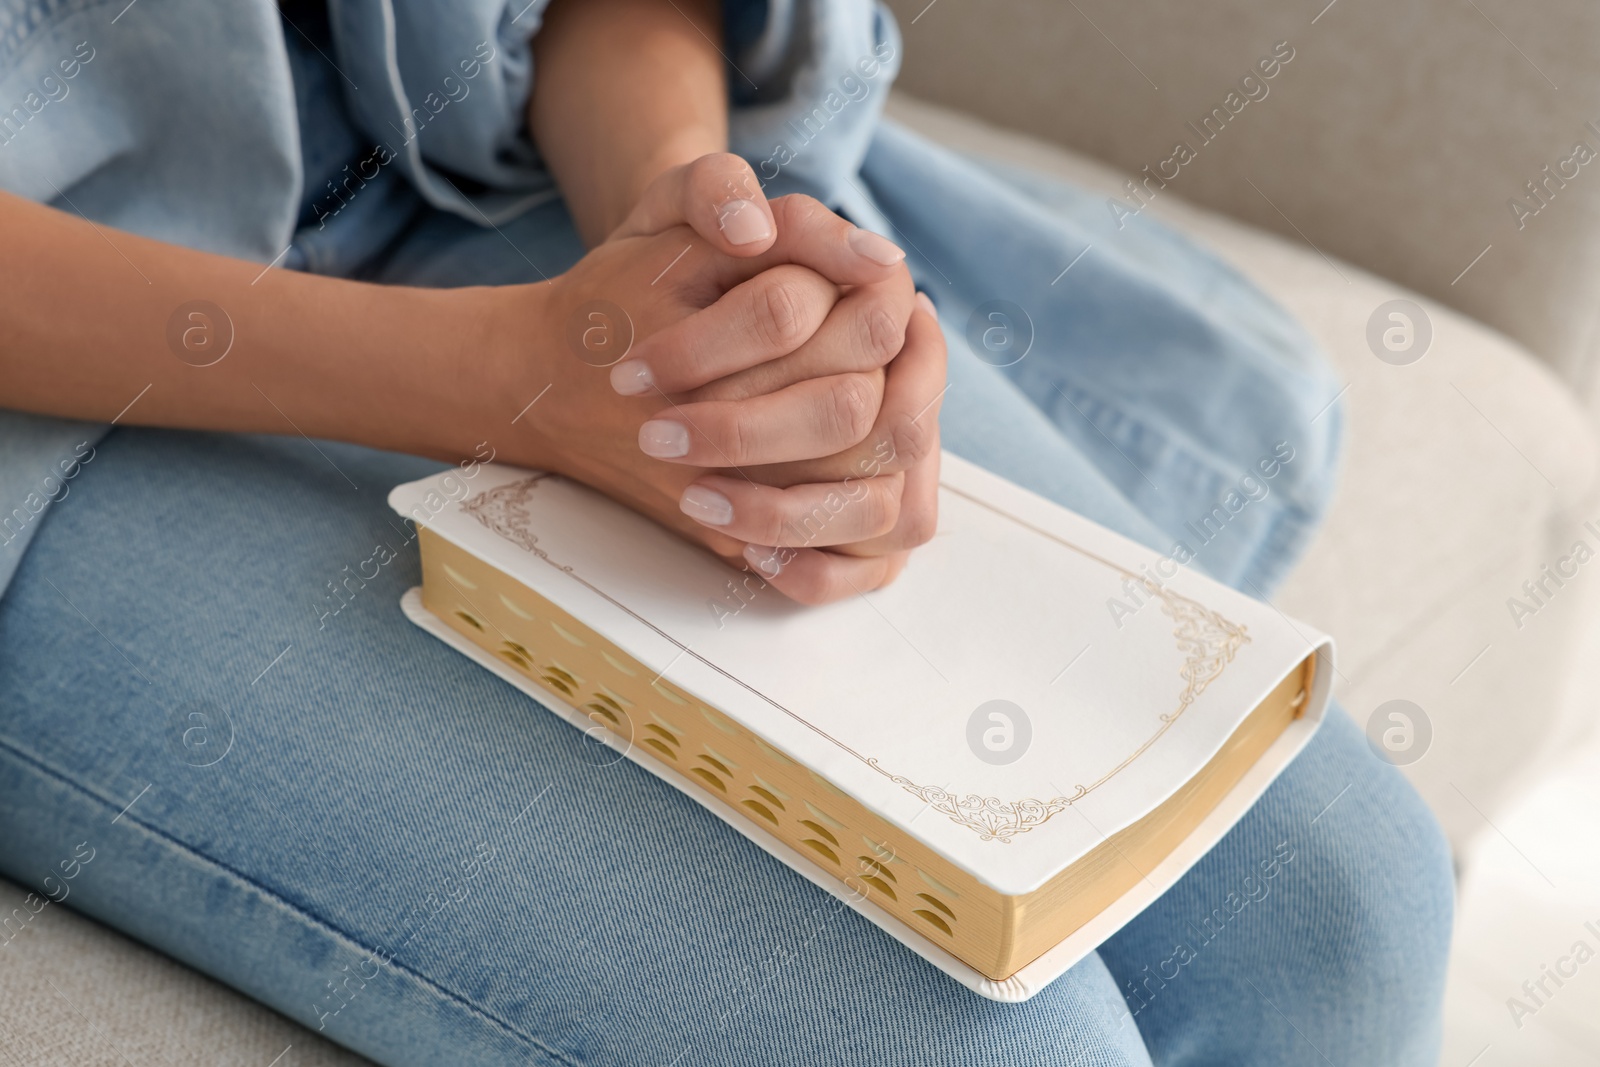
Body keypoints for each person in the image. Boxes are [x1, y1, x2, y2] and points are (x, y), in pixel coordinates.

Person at [0, 0, 1453, 1063]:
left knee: (1344, 913)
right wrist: (510, 381)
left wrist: (697, 241)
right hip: (55, 397)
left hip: (466, 168)